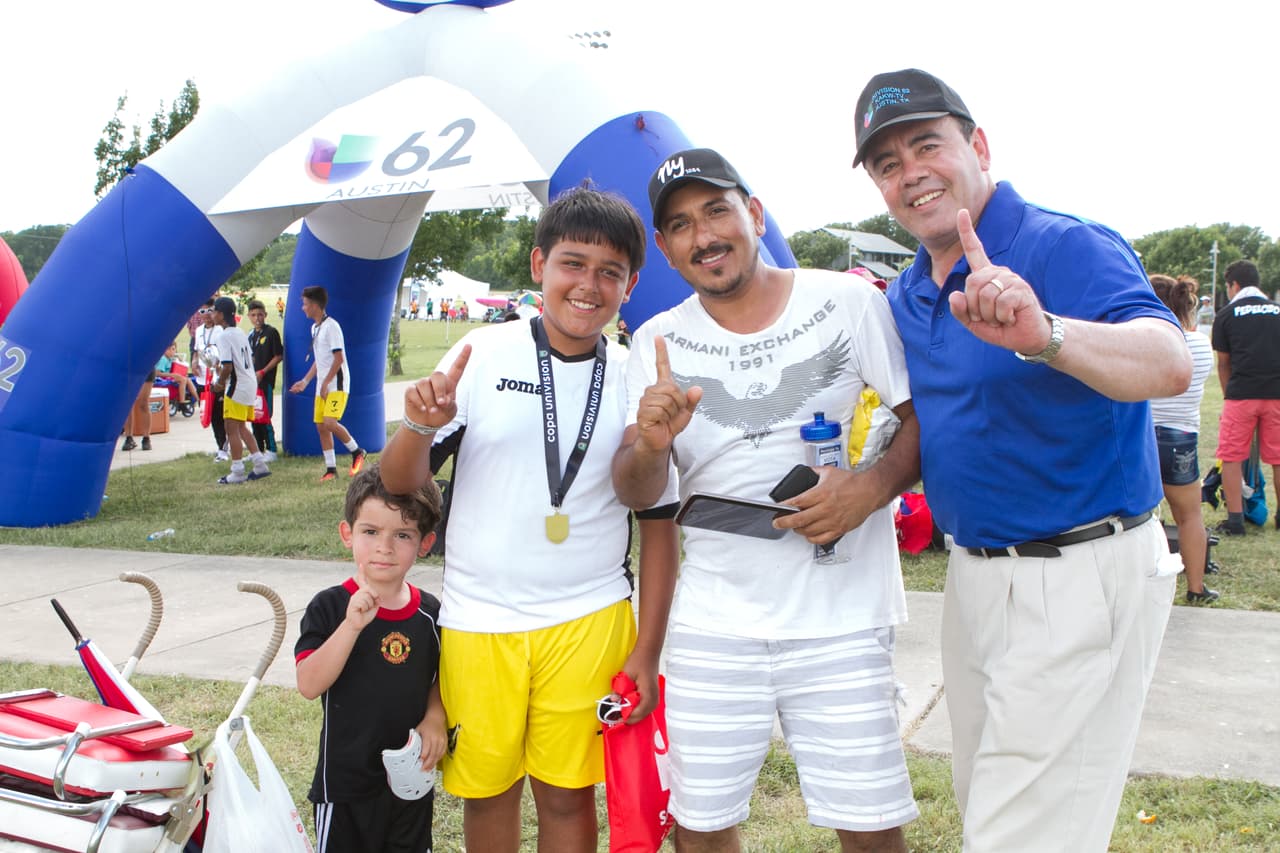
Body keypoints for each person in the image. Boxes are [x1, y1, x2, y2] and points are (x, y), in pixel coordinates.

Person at [852, 68, 1192, 851]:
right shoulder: (908, 291)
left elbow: (1168, 360)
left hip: (1079, 567)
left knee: (1020, 835)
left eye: (927, 146)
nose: (911, 173)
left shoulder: (1062, 244)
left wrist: (1048, 336)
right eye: (888, 164)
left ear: (978, 145)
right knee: (994, 807)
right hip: (974, 576)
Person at [612, 148, 921, 852]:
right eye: (681, 225)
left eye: (717, 210)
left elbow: (920, 420)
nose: (704, 236)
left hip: (842, 616)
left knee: (871, 827)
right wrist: (652, 444)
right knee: (701, 825)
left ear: (754, 213)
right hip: (715, 622)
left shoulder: (846, 302)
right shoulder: (658, 340)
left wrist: (870, 489)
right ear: (664, 247)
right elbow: (635, 488)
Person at [380, 185, 679, 853]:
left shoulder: (633, 375)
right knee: (487, 795)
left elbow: (660, 524)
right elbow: (399, 483)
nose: (589, 285)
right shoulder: (482, 353)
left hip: (590, 616)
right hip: (479, 619)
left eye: (610, 272)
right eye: (573, 263)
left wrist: (647, 650)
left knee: (569, 798)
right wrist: (417, 427)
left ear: (630, 285)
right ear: (540, 263)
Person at [296, 464, 446, 853]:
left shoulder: (431, 613)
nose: (385, 547)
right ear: (347, 534)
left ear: (425, 543)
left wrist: (436, 716)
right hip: (344, 786)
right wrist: (351, 625)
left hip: (410, 782)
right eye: (371, 532)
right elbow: (309, 684)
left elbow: (441, 678)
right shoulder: (329, 607)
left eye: (402, 535)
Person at [1149, 275, 1218, 603]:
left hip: (1142, 437)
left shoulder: (1141, 345)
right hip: (1181, 438)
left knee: (1140, 520)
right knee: (1189, 516)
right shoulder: (1200, 345)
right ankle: (1196, 587)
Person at [1211, 259, 1280, 535]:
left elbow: (1224, 363)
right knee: (1278, 458)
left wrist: (1229, 396)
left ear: (1234, 285)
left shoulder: (1226, 314)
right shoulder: (1277, 311)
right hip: (1276, 394)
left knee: (1232, 457)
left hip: (1241, 395)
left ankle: (1235, 519)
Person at [289, 285, 367, 482]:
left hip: (336, 384)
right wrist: (305, 381)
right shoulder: (315, 328)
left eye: (305, 304)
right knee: (321, 426)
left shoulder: (332, 327)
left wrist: (325, 383)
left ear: (315, 305)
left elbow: (338, 359)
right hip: (322, 384)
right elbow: (319, 360)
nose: (303, 308)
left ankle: (357, 451)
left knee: (330, 422)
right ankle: (331, 469)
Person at [211, 296, 270, 484]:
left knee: (231, 428)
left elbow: (228, 366)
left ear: (221, 314)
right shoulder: (240, 333)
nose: (212, 314)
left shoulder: (223, 336)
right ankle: (260, 464)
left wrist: (220, 383)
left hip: (236, 386)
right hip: (249, 383)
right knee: (241, 426)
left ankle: (237, 471)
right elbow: (249, 359)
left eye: (214, 311)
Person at [247, 298, 283, 461]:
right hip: (252, 383)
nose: (257, 318)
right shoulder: (250, 335)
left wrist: (263, 371)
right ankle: (257, 450)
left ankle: (271, 450)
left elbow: (278, 356)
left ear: (265, 315)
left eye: (260, 314)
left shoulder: (271, 332)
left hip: (265, 381)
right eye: (253, 315)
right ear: (249, 316)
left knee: (265, 415)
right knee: (254, 416)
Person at [193, 298, 228, 460]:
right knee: (208, 413)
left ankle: (224, 449)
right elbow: (196, 350)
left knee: (218, 415)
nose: (206, 315)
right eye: (202, 311)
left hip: (218, 379)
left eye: (210, 311)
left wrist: (220, 370)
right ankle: (220, 446)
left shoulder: (220, 330)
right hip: (202, 379)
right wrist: (194, 362)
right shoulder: (199, 330)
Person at [154, 341, 198, 416]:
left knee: (187, 379)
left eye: (174, 349)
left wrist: (178, 358)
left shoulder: (169, 359)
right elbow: (157, 373)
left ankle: (196, 398)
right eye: (172, 349)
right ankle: (182, 402)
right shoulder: (163, 359)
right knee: (183, 380)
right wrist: (172, 375)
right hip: (161, 380)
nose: (174, 352)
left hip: (167, 378)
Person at [120, 374, 155, 452]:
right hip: (129, 372)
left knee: (143, 403)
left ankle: (146, 438)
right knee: (128, 404)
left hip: (146, 371)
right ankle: (129, 438)